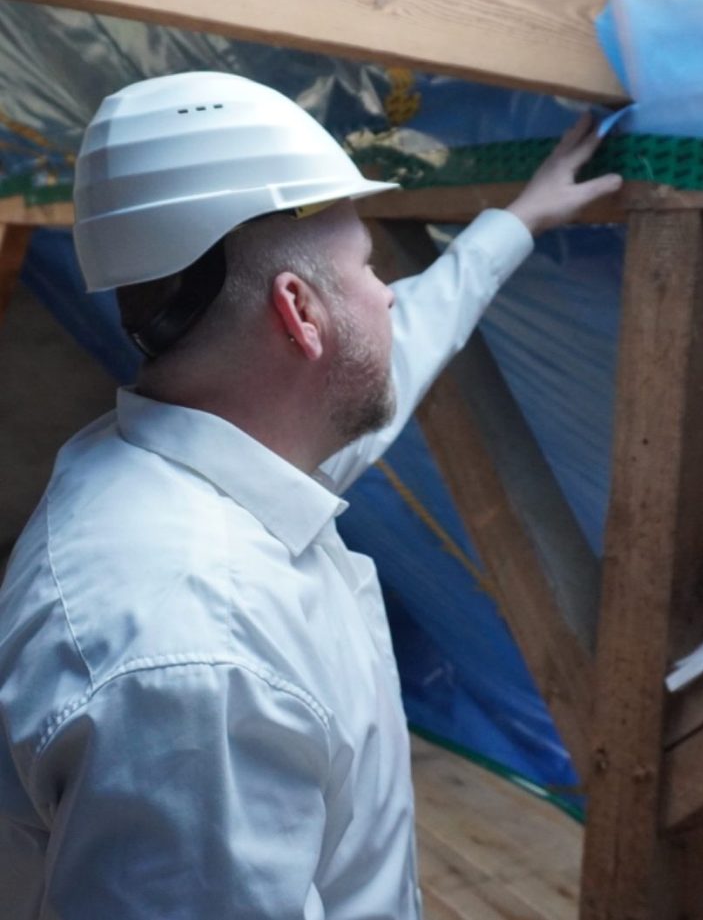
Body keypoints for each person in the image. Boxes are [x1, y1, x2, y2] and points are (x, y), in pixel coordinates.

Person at [0, 72, 621, 919]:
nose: (390, 293)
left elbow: (395, 346)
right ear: (299, 312)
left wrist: (518, 220)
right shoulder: (200, 659)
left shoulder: (196, 464)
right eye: (369, 266)